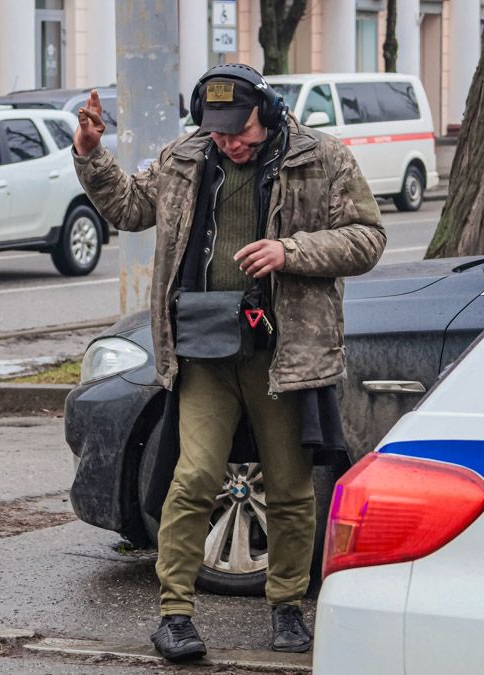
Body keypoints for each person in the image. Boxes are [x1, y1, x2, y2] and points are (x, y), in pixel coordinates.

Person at [71, 63, 386, 661]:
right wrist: (92, 156)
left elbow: (367, 239)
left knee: (292, 488)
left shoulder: (322, 158)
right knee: (192, 479)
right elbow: (132, 208)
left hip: (283, 352)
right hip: (204, 351)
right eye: (216, 132)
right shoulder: (185, 156)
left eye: (237, 131)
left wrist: (289, 251)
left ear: (266, 113)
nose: (227, 142)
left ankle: (288, 608)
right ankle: (175, 616)